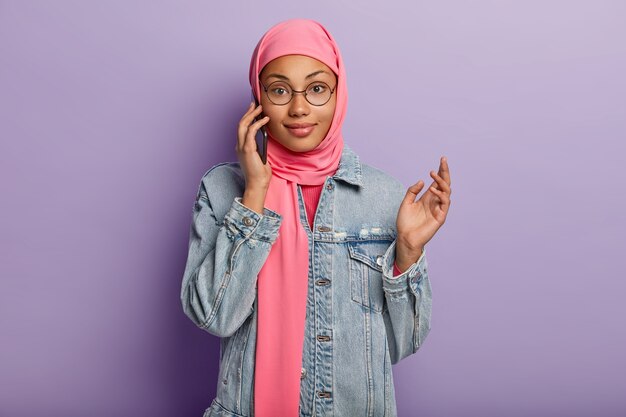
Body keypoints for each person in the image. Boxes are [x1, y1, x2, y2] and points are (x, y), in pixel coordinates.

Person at [180, 18, 452, 417]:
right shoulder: (223, 189)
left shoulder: (387, 199)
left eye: (317, 88)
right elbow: (213, 316)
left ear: (339, 94)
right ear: (258, 99)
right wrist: (254, 195)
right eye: (279, 90)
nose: (299, 107)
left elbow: (401, 345)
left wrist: (408, 254)